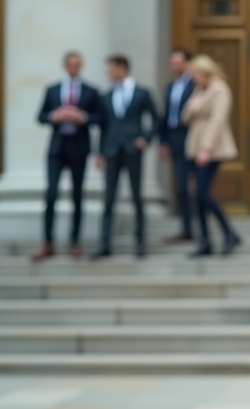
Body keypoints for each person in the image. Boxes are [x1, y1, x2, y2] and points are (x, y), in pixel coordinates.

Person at [31, 51, 103, 261]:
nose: (75, 67)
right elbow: (41, 116)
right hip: (57, 148)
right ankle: (47, 242)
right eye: (71, 64)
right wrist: (55, 116)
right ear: (65, 65)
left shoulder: (91, 91)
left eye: (78, 64)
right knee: (51, 194)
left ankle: (74, 241)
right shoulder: (52, 90)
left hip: (79, 147)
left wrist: (84, 117)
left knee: (77, 196)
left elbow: (100, 117)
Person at [92, 55, 158, 260]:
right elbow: (102, 127)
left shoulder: (142, 93)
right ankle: (105, 244)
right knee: (109, 198)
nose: (108, 72)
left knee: (137, 196)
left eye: (110, 68)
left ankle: (139, 242)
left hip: (132, 149)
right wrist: (100, 153)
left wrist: (145, 138)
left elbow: (157, 119)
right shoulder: (106, 96)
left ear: (121, 68)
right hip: (111, 151)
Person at [182, 54, 241, 257]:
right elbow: (186, 116)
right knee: (196, 197)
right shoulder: (199, 90)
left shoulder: (219, 89)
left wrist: (206, 148)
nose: (193, 78)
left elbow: (218, 120)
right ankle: (205, 241)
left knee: (201, 193)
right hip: (194, 146)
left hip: (212, 148)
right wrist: (195, 100)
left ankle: (229, 233)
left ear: (205, 72)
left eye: (195, 74)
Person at [158, 47, 196, 243]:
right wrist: (163, 142)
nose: (174, 66)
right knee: (181, 186)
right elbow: (165, 117)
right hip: (174, 140)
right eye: (172, 63)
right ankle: (186, 228)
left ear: (187, 62)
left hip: (192, 139)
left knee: (197, 188)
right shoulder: (170, 86)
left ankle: (198, 227)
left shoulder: (196, 84)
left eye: (177, 62)